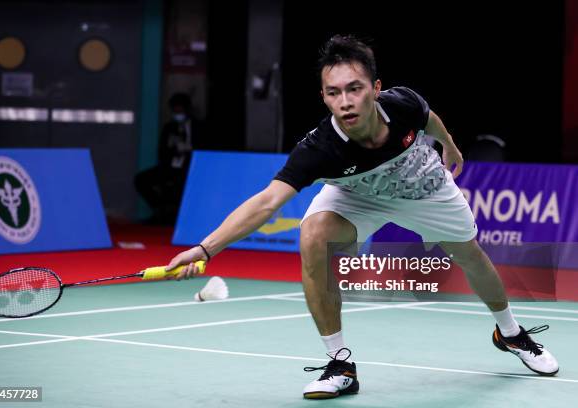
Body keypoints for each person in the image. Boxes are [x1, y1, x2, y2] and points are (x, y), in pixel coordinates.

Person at [165, 35, 559, 399]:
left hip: (423, 187)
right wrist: (205, 248)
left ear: (376, 88)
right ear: (323, 96)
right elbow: (268, 202)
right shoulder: (320, 149)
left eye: (355, 88)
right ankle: (340, 364)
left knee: (471, 254)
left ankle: (510, 333)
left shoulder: (402, 104)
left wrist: (449, 145)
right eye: (334, 92)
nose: (346, 101)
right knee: (313, 235)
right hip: (359, 196)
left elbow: (429, 118)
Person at [134, 93, 201, 224]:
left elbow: (204, 149)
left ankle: (176, 217)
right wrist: (173, 148)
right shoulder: (169, 128)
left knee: (182, 185)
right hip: (169, 167)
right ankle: (160, 210)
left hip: (190, 170)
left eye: (180, 111)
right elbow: (162, 151)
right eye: (175, 111)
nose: (178, 114)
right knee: (141, 180)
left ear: (187, 110)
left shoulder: (199, 127)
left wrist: (188, 149)